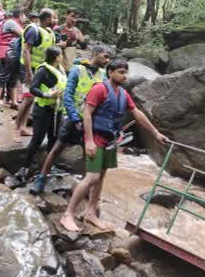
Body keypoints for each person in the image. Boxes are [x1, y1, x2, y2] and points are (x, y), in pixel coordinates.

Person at [59, 59, 167, 232]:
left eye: (126, 72)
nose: (125, 76)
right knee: (92, 177)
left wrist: (155, 133)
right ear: (110, 72)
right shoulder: (99, 89)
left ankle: (91, 212)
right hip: (95, 139)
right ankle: (68, 215)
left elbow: (137, 114)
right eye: (121, 72)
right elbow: (87, 113)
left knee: (101, 177)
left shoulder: (123, 94)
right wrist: (88, 140)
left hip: (110, 140)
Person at [31, 46, 110, 194]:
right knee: (57, 148)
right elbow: (67, 95)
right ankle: (41, 178)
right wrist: (75, 118)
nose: (107, 60)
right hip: (73, 118)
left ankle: (85, 188)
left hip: (91, 121)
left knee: (89, 154)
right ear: (95, 54)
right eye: (105, 56)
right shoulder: (77, 70)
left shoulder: (103, 75)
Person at [14, 8, 56, 139]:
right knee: (29, 98)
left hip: (39, 69)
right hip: (28, 68)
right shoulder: (33, 30)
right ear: (48, 19)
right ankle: (17, 126)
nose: (55, 20)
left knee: (30, 99)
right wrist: (29, 72)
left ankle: (22, 127)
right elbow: (26, 51)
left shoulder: (49, 32)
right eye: (54, 18)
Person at [23, 47, 66, 167]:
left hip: (57, 110)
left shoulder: (60, 70)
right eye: (61, 55)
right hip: (42, 110)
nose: (62, 57)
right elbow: (33, 88)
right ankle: (25, 167)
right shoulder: (43, 70)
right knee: (37, 140)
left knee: (54, 139)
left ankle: (49, 167)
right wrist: (47, 95)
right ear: (57, 57)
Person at [0, 8, 25, 106]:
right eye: (24, 16)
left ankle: (13, 101)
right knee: (4, 75)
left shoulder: (17, 24)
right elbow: (23, 34)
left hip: (15, 53)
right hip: (8, 52)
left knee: (14, 77)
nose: (25, 18)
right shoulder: (11, 22)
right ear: (19, 15)